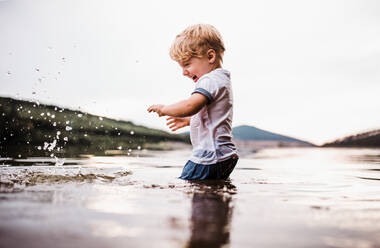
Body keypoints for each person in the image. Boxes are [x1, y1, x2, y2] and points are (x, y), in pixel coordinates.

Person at [147, 24, 238, 180]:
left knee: (190, 189)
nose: (184, 72)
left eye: (187, 64)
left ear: (210, 57)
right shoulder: (221, 80)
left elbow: (190, 105)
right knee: (212, 196)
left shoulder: (209, 80)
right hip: (224, 155)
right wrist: (189, 120)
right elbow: (213, 116)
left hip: (208, 156)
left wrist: (165, 109)